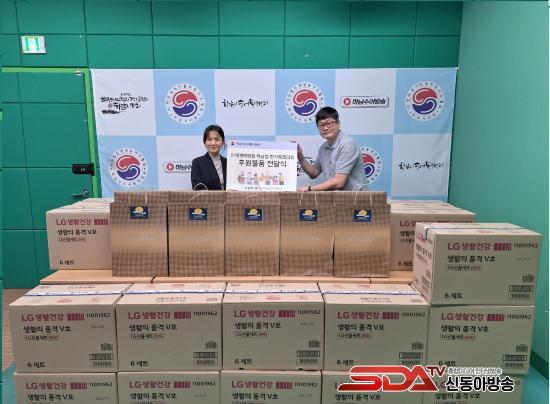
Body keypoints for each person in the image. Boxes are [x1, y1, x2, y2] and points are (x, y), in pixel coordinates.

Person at [297, 107, 367, 191]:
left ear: (338, 123)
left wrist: (310, 188)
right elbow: (314, 173)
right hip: (337, 197)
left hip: (358, 197)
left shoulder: (348, 144)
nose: (325, 128)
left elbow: (339, 182)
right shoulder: (323, 148)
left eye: (329, 123)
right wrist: (301, 157)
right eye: (321, 125)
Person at [191, 125, 227, 190]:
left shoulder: (228, 163)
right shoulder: (197, 163)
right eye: (209, 139)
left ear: (222, 142)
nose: (213, 143)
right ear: (205, 142)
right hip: (208, 197)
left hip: (229, 197)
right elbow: (197, 187)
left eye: (217, 139)